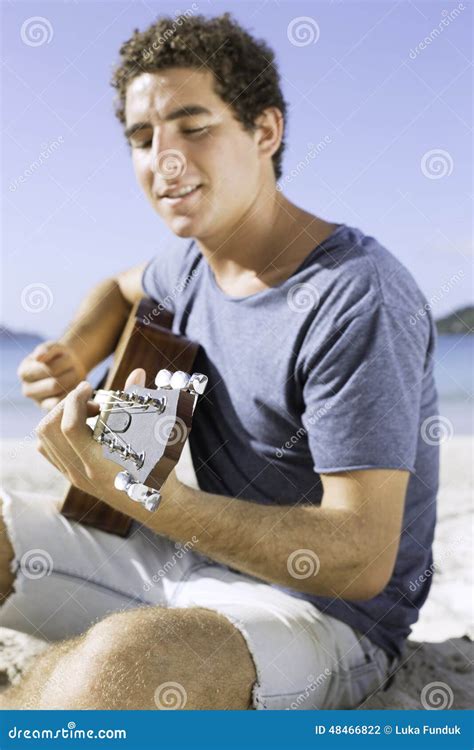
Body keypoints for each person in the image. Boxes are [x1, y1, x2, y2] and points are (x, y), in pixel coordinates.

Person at [0, 13, 439, 710]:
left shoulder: (357, 295)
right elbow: (120, 288)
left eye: (193, 126)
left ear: (265, 131)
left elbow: (362, 556)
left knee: (119, 665)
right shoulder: (189, 267)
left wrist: (158, 501)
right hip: (183, 560)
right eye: (143, 138)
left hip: (324, 615)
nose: (163, 161)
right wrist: (73, 351)